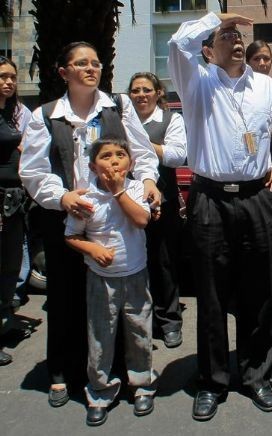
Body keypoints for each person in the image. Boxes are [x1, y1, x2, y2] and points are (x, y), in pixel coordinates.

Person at [19, 41, 160, 407]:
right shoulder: (45, 115)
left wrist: (148, 181)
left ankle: (119, 372)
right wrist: (62, 197)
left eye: (95, 63)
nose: (91, 68)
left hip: (115, 215)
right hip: (67, 217)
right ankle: (63, 372)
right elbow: (33, 171)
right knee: (65, 296)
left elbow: (142, 153)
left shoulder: (118, 107)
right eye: (82, 63)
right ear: (63, 72)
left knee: (116, 302)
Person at [168, 12, 272, 421]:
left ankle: (257, 376)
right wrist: (216, 17)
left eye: (238, 35)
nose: (236, 39)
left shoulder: (267, 86)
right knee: (211, 295)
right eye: (226, 36)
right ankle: (212, 381)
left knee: (260, 291)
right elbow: (178, 43)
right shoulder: (197, 83)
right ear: (209, 50)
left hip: (256, 198)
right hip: (210, 200)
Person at [65, 138, 156, 426]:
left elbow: (141, 220)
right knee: (101, 336)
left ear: (131, 162)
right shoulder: (86, 198)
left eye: (120, 155)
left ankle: (142, 384)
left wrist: (118, 191)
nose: (114, 161)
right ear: (93, 166)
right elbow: (71, 235)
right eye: (106, 156)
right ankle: (100, 391)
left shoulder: (136, 189)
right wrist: (92, 249)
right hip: (101, 279)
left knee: (139, 331)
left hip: (136, 274)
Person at [128, 72, 187, 348]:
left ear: (158, 92)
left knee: (164, 263)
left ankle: (169, 322)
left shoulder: (170, 119)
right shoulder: (123, 120)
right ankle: (141, 321)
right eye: (135, 90)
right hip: (128, 204)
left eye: (146, 90)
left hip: (163, 203)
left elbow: (177, 155)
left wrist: (142, 145)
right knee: (134, 263)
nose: (141, 95)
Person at [245, 40, 272, 323]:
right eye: (256, 59)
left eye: (266, 59)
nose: (262, 64)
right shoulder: (237, 91)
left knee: (269, 248)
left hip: (270, 181)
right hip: (242, 182)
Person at [0, 56, 32, 366]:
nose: (9, 82)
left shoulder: (12, 113)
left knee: (10, 265)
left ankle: (4, 322)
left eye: (12, 77)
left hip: (14, 199)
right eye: (2, 77)